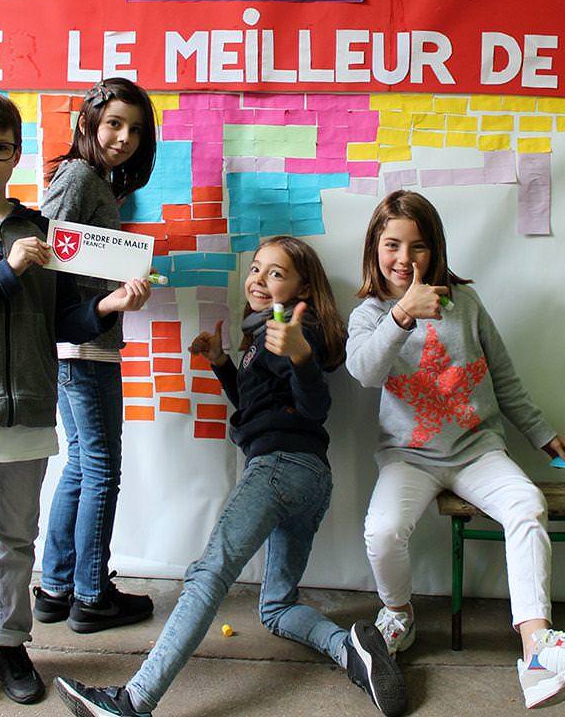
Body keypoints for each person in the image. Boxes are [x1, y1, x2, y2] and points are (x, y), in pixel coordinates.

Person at [54, 236, 407, 717]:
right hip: (309, 479)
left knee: (207, 575)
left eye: (276, 273)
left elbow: (314, 407)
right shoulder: (262, 336)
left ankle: (132, 702)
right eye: (256, 269)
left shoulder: (297, 330)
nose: (259, 280)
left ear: (304, 285)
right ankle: (351, 649)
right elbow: (256, 406)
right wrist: (222, 363)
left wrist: (301, 356)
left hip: (279, 469)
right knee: (277, 607)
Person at [0, 91, 151, 717]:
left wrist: (107, 306)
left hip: (29, 415)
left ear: (16, 154)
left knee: (17, 543)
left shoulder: (40, 230)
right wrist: (6, 272)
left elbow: (59, 320)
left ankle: (10, 644)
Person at [346, 191, 565, 710]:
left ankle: (538, 651)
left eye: (418, 246)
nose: (404, 259)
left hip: (476, 450)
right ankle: (399, 617)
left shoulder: (465, 303)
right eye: (392, 245)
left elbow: (503, 376)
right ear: (374, 249)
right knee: (382, 531)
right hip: (409, 456)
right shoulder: (369, 315)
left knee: (526, 505)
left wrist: (541, 432)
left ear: (436, 251)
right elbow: (364, 371)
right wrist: (402, 315)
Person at [36, 79, 160, 634]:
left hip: (85, 339)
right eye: (114, 123)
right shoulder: (78, 177)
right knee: (102, 469)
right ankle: (91, 595)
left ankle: (57, 588)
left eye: (135, 129)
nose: (124, 137)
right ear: (88, 121)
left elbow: (75, 256)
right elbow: (45, 249)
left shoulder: (98, 184)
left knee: (84, 465)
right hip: (82, 343)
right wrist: (99, 304)